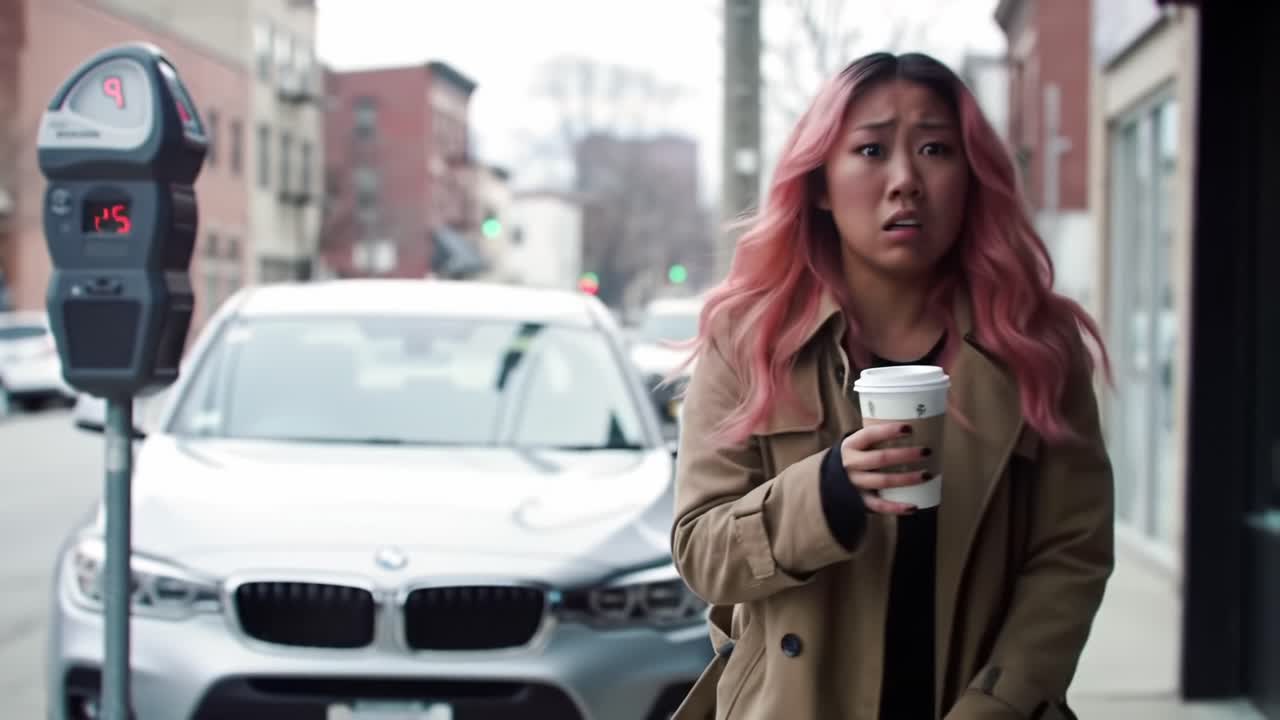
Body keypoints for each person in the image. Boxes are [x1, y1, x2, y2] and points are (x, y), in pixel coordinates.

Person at [670, 52, 1113, 720]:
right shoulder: (748, 339)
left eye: (935, 148)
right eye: (871, 150)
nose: (905, 180)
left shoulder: (1035, 343)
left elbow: (1070, 556)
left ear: (970, 176)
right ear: (819, 181)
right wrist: (828, 492)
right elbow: (702, 551)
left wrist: (1000, 703)